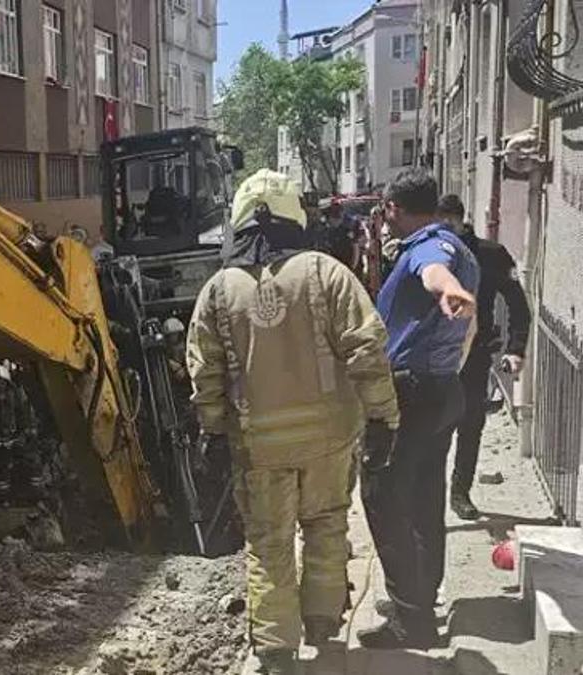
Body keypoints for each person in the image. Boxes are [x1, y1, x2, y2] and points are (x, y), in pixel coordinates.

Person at [186, 169, 399, 675]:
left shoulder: (219, 290)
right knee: (326, 526)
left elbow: (204, 370)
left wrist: (211, 430)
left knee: (268, 544)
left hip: (258, 448)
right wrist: (383, 417)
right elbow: (367, 349)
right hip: (329, 441)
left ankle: (277, 652)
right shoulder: (327, 274)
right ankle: (323, 624)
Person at [359, 169, 480, 649]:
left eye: (385, 210)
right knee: (425, 499)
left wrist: (446, 289)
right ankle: (420, 600)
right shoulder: (459, 245)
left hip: (411, 395)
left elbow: (434, 271)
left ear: (394, 207)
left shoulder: (430, 248)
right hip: (441, 390)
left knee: (383, 496)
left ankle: (411, 619)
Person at [435, 195, 532, 520]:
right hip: (435, 357)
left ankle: (460, 492)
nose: (445, 227)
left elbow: (518, 304)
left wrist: (516, 349)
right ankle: (430, 496)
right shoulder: (430, 254)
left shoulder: (489, 255)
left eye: (449, 220)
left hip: (474, 355)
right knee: (434, 428)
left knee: (471, 425)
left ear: (461, 220)